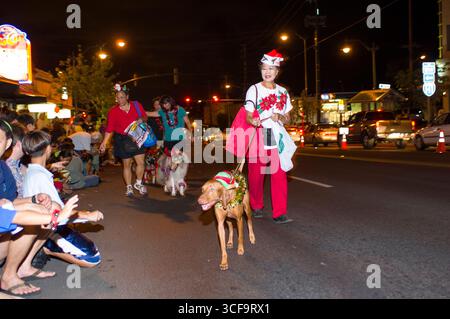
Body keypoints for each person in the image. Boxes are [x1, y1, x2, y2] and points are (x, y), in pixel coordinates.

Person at [243, 50, 296, 224]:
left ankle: (280, 212)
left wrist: (280, 117)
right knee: (256, 174)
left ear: (277, 71)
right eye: (264, 68)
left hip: (277, 134)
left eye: (271, 68)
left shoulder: (283, 92)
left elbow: (288, 117)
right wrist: (254, 120)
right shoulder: (254, 89)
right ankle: (256, 204)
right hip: (261, 132)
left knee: (279, 172)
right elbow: (248, 114)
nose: (267, 72)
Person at [99, 85, 148, 196]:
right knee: (127, 165)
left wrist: (141, 119)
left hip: (137, 137)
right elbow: (110, 129)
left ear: (127, 96)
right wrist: (104, 142)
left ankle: (138, 183)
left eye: (122, 97)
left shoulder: (136, 105)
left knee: (140, 162)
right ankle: (129, 187)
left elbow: (145, 116)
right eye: (117, 98)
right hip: (122, 139)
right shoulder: (113, 111)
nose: (119, 100)